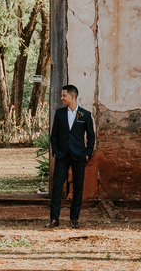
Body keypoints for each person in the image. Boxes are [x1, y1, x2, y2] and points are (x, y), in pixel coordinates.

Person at [47, 84, 95, 229]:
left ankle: (74, 219)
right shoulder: (60, 113)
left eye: (64, 95)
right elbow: (54, 135)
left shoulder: (85, 115)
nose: (62, 98)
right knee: (57, 188)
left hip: (79, 156)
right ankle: (54, 219)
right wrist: (55, 151)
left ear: (72, 96)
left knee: (78, 189)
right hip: (62, 156)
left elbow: (91, 137)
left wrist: (87, 154)